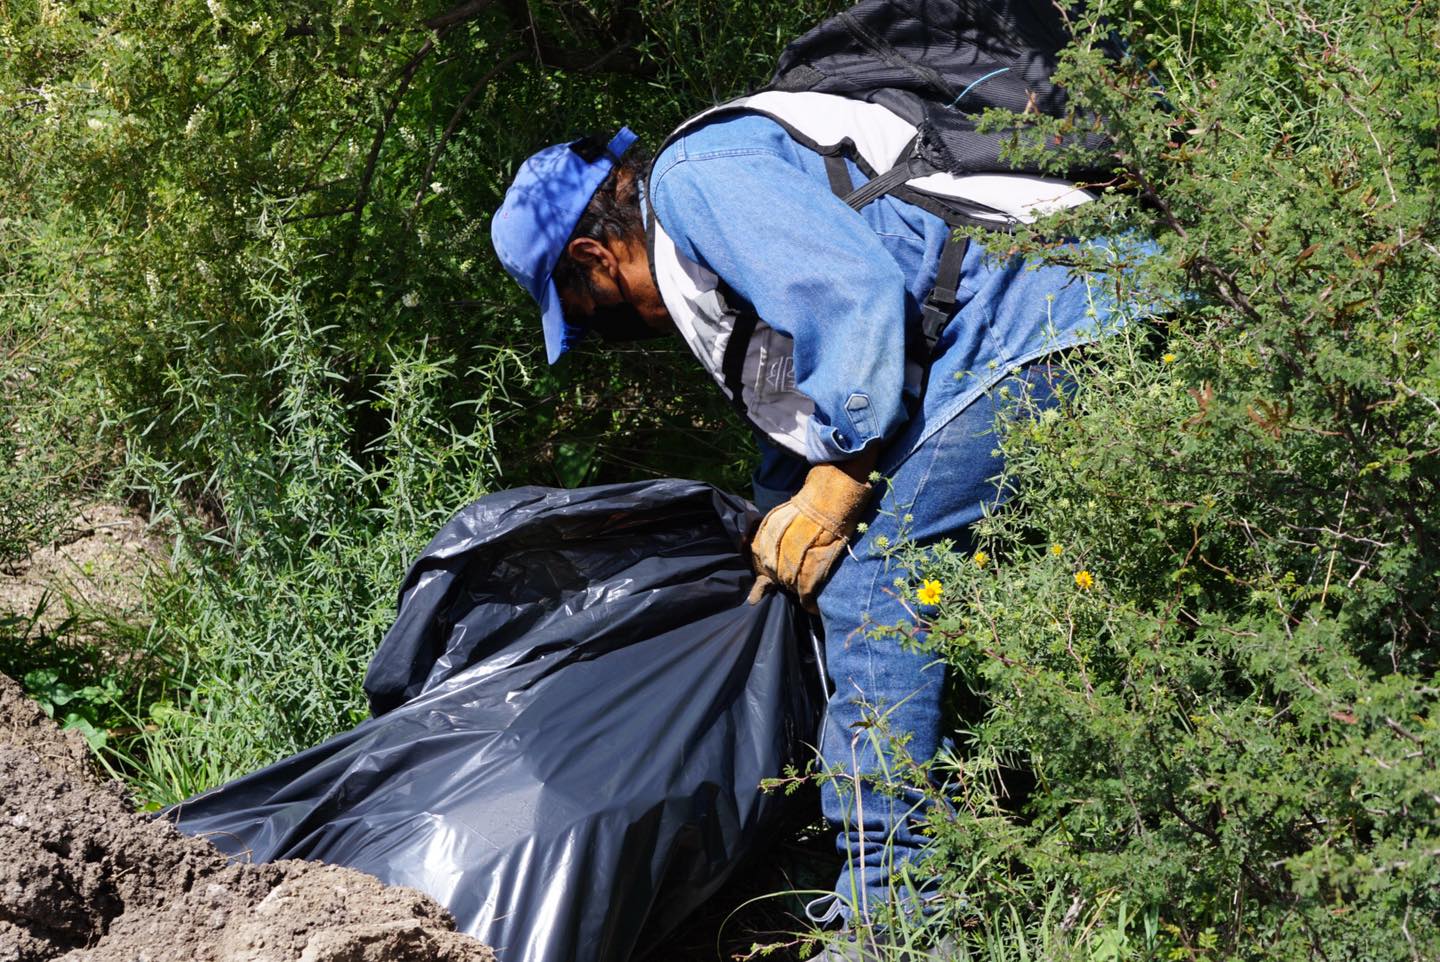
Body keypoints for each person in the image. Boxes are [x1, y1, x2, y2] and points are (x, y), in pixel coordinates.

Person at [491, 102, 1138, 958]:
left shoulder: (696, 182)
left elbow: (855, 299)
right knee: (840, 583)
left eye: (582, 309)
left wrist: (838, 485)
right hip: (1046, 318)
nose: (606, 334)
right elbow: (796, 420)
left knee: (874, 579)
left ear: (593, 258)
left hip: (1044, 311)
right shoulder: (701, 248)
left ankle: (895, 918)